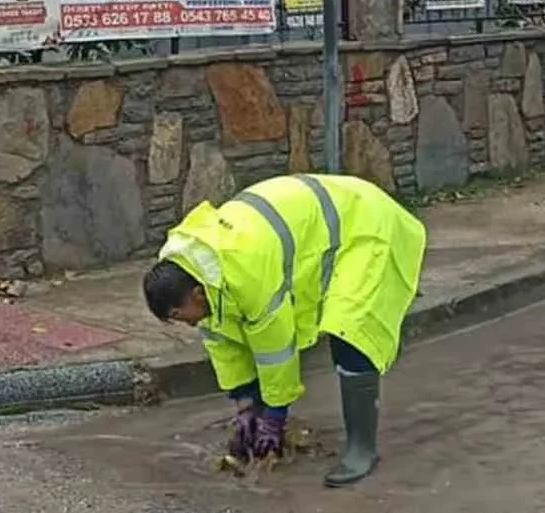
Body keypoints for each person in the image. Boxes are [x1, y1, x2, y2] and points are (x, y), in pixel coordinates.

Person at [143, 172, 426, 486]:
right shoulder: (190, 271)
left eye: (184, 317)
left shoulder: (245, 269)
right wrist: (246, 403)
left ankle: (362, 449)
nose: (191, 324)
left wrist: (274, 417)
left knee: (350, 331)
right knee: (329, 324)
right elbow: (225, 341)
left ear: (197, 295)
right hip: (316, 227)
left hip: (363, 224)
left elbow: (275, 349)